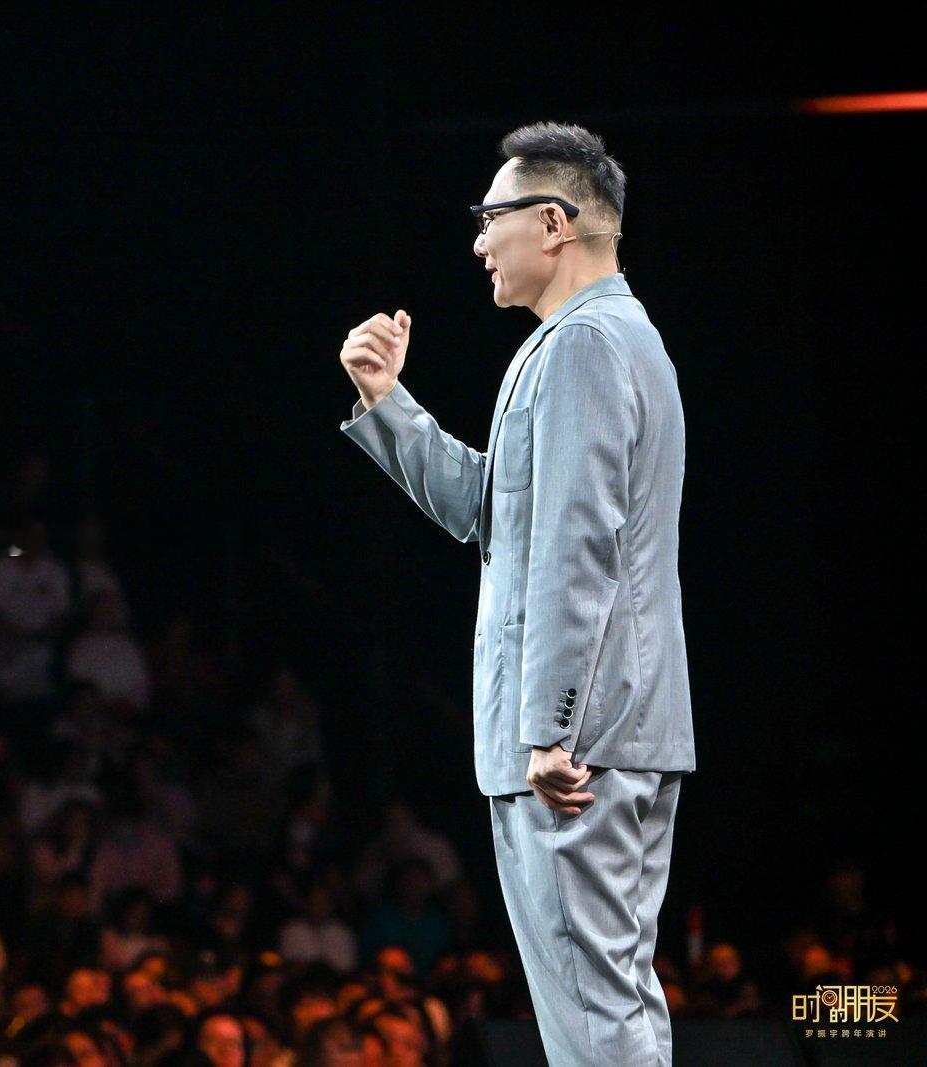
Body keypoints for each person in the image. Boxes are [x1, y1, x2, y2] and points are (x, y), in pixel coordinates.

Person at [336, 121, 694, 1065]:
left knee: (593, 1010)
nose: (478, 241)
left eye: (489, 217)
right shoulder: (608, 339)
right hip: (612, 729)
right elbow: (492, 511)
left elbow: (580, 550)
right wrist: (389, 402)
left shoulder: (584, 346)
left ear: (553, 222)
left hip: (578, 745)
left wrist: (550, 726)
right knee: (607, 999)